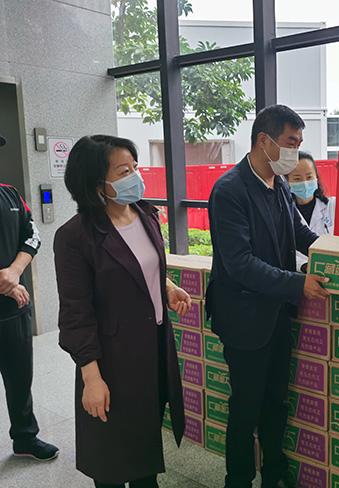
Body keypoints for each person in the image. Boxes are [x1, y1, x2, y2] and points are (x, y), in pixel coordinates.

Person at [54, 135, 191, 488]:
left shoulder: (145, 213)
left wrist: (166, 287)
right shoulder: (76, 236)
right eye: (123, 171)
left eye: (135, 167)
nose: (135, 176)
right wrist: (91, 378)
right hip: (110, 361)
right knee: (111, 462)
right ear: (95, 182)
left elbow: (140, 266)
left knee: (144, 450)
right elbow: (75, 313)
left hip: (152, 349)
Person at [206, 105, 329, 488]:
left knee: (276, 400)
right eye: (291, 142)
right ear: (265, 140)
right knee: (246, 407)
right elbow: (240, 263)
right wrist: (297, 284)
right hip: (244, 318)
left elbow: (300, 234)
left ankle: (274, 471)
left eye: (299, 142)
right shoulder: (230, 191)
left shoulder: (279, 186)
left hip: (277, 314)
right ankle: (238, 479)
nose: (295, 151)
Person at [0, 133, 59, 461]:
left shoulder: (9, 194)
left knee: (20, 379)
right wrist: (7, 282)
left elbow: (32, 234)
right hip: (12, 294)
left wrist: (14, 271)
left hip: (14, 311)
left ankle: (25, 437)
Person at [286, 151, 336, 272]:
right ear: (287, 182)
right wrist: (304, 266)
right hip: (299, 273)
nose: (304, 183)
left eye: (309, 177)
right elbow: (284, 250)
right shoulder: (283, 212)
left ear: (316, 178)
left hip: (332, 268)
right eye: (297, 179)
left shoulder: (332, 205)